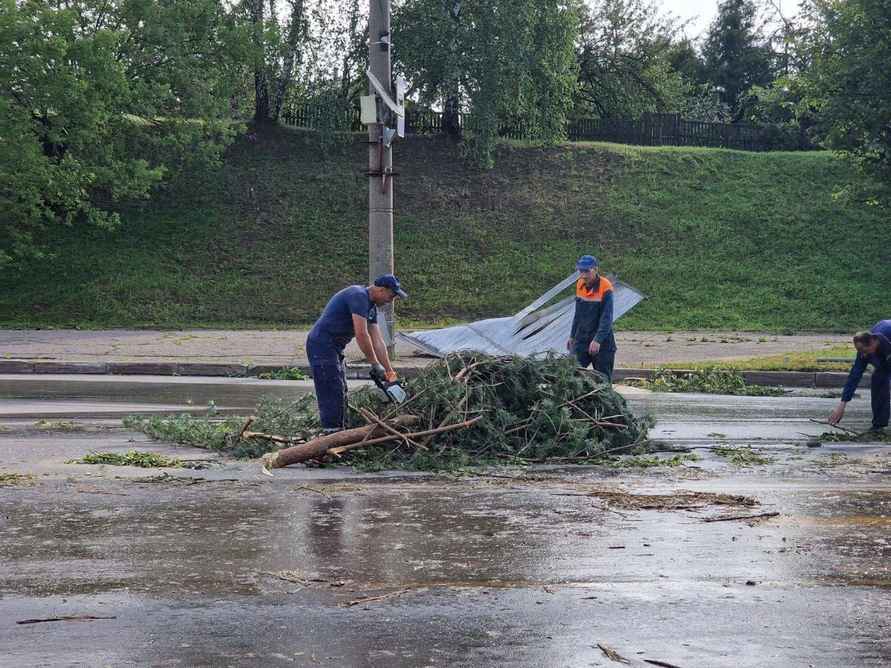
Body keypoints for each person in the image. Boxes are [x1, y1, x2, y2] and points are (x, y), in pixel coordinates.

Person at [307, 274, 407, 432]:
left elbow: (378, 342)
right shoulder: (358, 296)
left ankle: (341, 429)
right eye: (392, 295)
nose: (391, 300)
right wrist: (374, 364)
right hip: (321, 345)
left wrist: (390, 373)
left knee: (341, 389)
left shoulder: (371, 307)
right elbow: (362, 334)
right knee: (331, 390)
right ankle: (331, 434)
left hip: (335, 348)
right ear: (381, 290)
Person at [829, 320, 891, 431]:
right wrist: (842, 404)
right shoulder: (864, 350)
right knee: (878, 379)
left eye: (864, 351)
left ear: (873, 342)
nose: (863, 355)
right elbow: (854, 376)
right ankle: (879, 424)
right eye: (860, 351)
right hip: (883, 356)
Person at [566, 255, 616, 381]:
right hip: (581, 338)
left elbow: (607, 318)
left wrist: (598, 340)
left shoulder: (606, 287)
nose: (583, 275)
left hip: (602, 342)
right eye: (580, 271)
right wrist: (572, 336)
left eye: (586, 271)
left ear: (595, 269)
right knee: (571, 374)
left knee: (602, 380)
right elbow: (578, 314)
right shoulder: (580, 284)